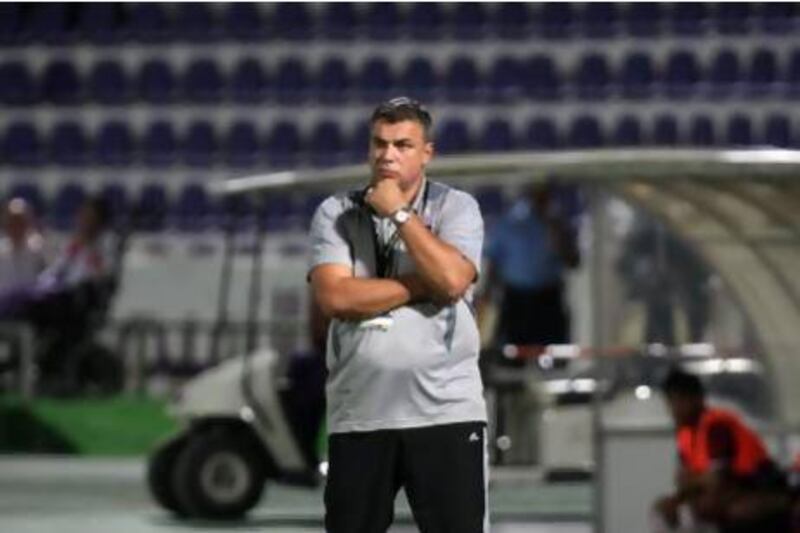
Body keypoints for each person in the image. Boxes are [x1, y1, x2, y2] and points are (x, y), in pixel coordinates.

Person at [308, 97, 488, 532]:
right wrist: (420, 284)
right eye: (379, 143)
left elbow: (451, 281)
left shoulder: (457, 207)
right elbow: (335, 299)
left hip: (445, 412)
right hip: (360, 413)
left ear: (427, 153)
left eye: (403, 145)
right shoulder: (336, 211)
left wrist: (400, 213)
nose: (387, 154)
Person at [652, 368, 791, 533]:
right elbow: (684, 480)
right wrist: (679, 497)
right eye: (670, 403)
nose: (674, 410)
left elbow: (716, 479)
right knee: (664, 509)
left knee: (706, 508)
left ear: (697, 399)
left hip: (761, 489)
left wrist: (694, 484)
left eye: (678, 401)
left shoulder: (716, 427)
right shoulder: (686, 434)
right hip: (727, 492)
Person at [480, 182, 579, 348]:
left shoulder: (557, 223)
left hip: (549, 297)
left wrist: (555, 230)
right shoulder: (510, 221)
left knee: (554, 353)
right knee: (512, 353)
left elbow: (573, 260)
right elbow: (494, 263)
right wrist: (487, 298)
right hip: (516, 299)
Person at [0, 198, 47, 292]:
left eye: (20, 222)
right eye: (12, 222)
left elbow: (46, 279)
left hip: (31, 302)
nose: (16, 227)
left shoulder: (38, 249)